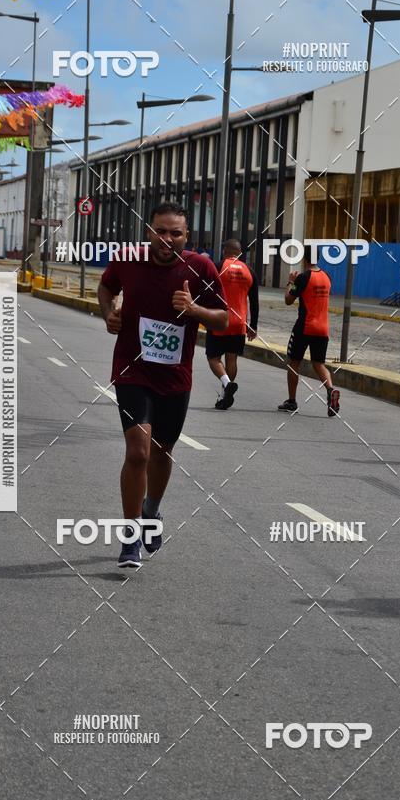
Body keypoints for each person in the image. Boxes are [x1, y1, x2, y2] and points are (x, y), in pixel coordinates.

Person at [98, 202, 228, 568]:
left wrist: (195, 310)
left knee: (162, 451)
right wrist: (108, 314)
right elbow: (105, 287)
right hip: (131, 371)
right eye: (159, 230)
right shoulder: (127, 261)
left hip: (174, 379)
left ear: (186, 237)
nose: (165, 239)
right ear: (148, 231)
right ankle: (129, 536)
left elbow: (223, 320)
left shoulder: (200, 268)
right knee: (138, 452)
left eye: (175, 233)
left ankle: (151, 510)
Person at [278, 244, 340, 417]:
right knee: (318, 363)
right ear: (318, 258)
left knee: (294, 362)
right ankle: (330, 390)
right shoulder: (327, 277)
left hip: (305, 327)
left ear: (304, 258)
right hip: (323, 328)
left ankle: (291, 401)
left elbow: (288, 300)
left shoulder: (303, 277)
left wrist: (290, 281)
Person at [205, 239, 259, 409]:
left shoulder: (217, 266)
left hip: (220, 320)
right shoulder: (250, 271)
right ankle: (224, 395)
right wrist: (253, 326)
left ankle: (227, 384)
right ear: (240, 253)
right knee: (232, 357)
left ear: (225, 251)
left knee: (213, 358)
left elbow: (206, 291)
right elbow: (255, 301)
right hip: (239, 323)